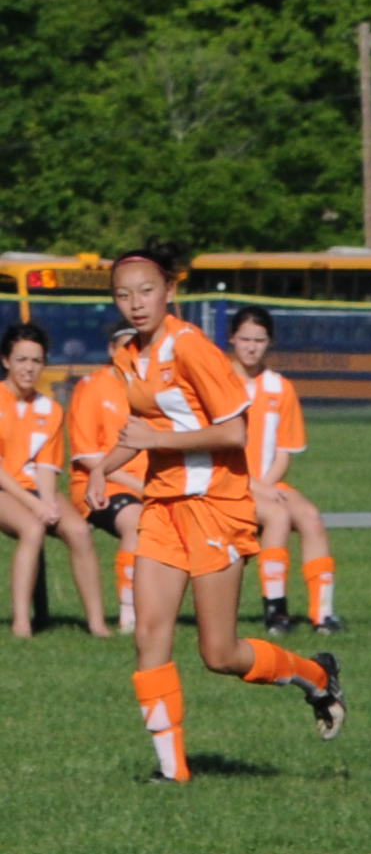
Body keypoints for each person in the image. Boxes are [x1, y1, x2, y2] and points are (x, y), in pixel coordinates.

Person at [103, 251, 340, 780]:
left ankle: (316, 676)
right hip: (163, 507)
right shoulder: (129, 352)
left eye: (146, 290)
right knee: (150, 635)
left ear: (169, 291)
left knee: (220, 653)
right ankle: (172, 771)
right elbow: (143, 429)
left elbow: (235, 432)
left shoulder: (190, 346)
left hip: (215, 507)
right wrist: (103, 469)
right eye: (123, 294)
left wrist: (154, 440)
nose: (135, 303)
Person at [227, 308, 336, 634]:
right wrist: (256, 487)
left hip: (269, 481)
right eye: (245, 339)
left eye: (259, 341)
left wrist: (265, 484)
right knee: (277, 516)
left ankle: (323, 614)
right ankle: (276, 610)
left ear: (269, 343)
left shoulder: (280, 387)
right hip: (227, 482)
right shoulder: (219, 383)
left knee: (311, 517)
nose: (251, 347)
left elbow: (284, 452)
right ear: (232, 339)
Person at [2, 325, 110, 638]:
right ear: (6, 361)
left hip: (32, 486)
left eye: (36, 361)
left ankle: (97, 624)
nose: (29, 368)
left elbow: (47, 466)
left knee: (78, 531)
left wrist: (48, 502)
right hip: (5, 487)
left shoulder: (49, 409)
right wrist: (34, 505)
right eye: (22, 360)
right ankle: (22, 624)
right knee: (32, 528)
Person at [65, 351, 134, 639]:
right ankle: (130, 614)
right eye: (126, 345)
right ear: (113, 349)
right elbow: (88, 457)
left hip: (149, 484)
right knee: (137, 522)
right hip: (101, 485)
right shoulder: (92, 387)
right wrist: (142, 486)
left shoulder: (151, 387)